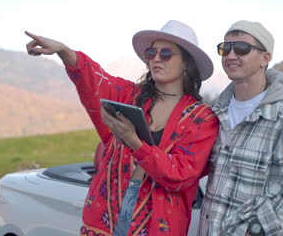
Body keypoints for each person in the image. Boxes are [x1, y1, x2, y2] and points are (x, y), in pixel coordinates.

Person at [25, 20, 219, 236]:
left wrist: (135, 142)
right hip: (107, 217)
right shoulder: (130, 96)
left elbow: (181, 175)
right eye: (151, 52)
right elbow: (94, 81)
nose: (155, 58)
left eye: (165, 53)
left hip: (157, 224)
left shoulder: (202, 119)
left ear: (186, 63)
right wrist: (64, 51)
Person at [198, 21, 283, 236]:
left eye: (242, 48)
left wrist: (256, 229)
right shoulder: (216, 113)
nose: (231, 55)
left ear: (265, 58)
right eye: (225, 48)